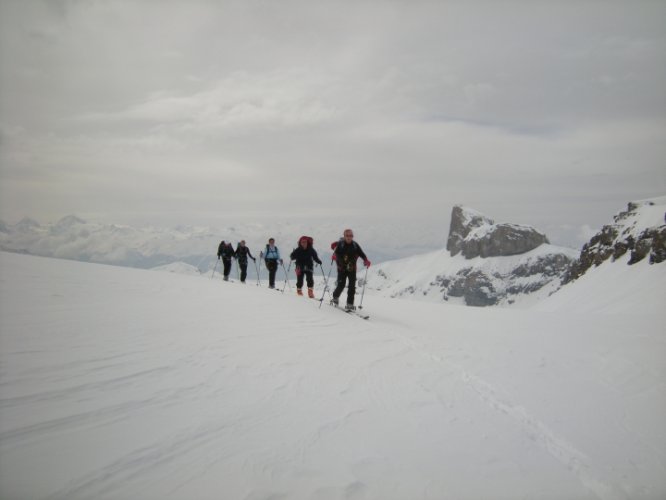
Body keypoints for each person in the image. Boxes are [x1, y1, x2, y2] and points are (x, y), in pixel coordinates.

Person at [330, 229, 370, 310]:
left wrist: (366, 260)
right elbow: (336, 253)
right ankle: (335, 297)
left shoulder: (355, 245)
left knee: (352, 286)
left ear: (352, 236)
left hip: (352, 268)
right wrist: (334, 256)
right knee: (341, 284)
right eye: (347, 236)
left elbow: (361, 253)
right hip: (341, 268)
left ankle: (350, 303)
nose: (349, 237)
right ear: (344, 236)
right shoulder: (340, 245)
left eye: (350, 236)